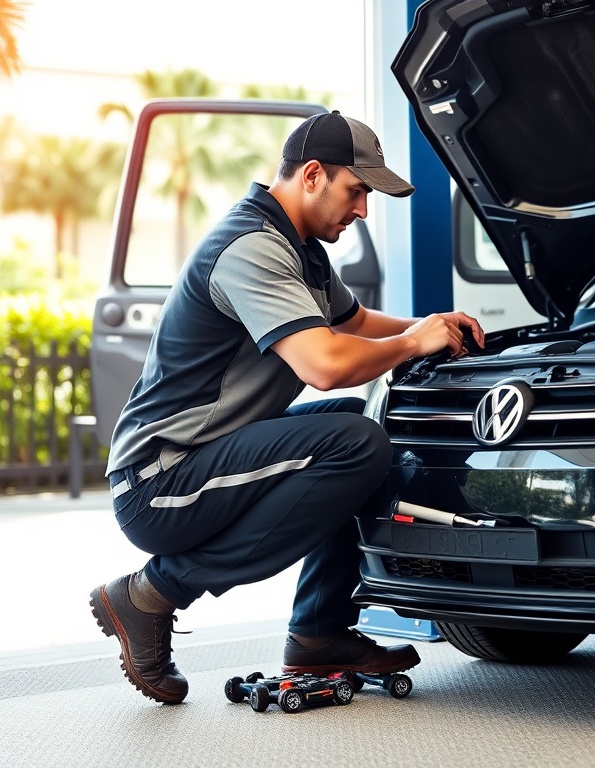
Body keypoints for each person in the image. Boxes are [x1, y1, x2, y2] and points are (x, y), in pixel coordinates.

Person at [89, 110, 485, 705]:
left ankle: (319, 633)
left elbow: (352, 323)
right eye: (357, 191)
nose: (362, 210)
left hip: (209, 458)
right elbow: (324, 364)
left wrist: (431, 326)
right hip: (160, 480)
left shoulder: (301, 248)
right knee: (354, 442)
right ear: (313, 175)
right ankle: (150, 594)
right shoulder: (250, 247)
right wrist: (409, 345)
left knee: (358, 428)